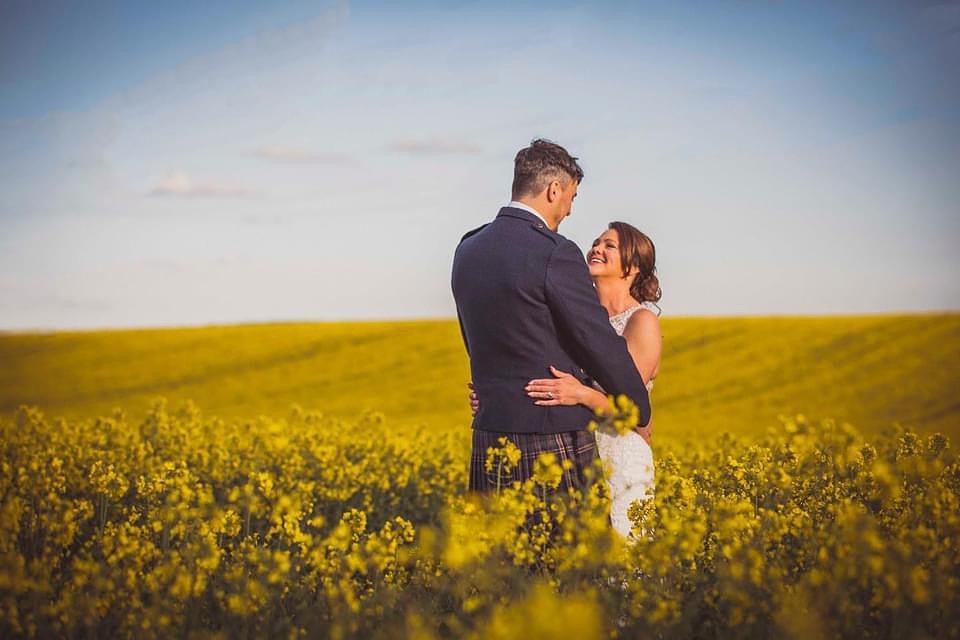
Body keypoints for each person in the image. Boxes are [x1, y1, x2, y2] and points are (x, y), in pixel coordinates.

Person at [451, 139, 651, 496]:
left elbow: (476, 338)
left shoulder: (467, 248)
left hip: (488, 433)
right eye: (571, 198)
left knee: (497, 551)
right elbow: (595, 340)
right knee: (572, 551)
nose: (569, 210)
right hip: (550, 436)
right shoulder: (554, 252)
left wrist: (494, 391)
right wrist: (633, 404)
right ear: (554, 189)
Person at [520, 222, 661, 538]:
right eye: (597, 242)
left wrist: (581, 394)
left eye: (609, 246)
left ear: (633, 266)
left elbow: (630, 411)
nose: (597, 248)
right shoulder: (573, 318)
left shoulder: (642, 322)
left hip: (621, 456)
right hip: (574, 453)